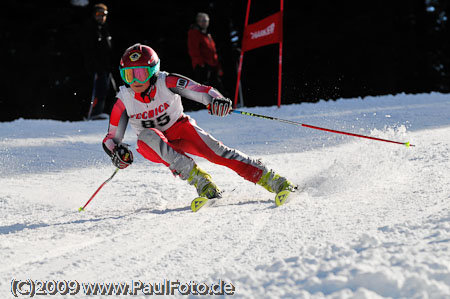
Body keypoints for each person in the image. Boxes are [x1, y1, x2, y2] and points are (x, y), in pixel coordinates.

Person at [102, 43, 295, 202]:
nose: (135, 80)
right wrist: (117, 152)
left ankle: (271, 179)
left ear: (153, 71)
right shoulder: (124, 99)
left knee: (218, 153)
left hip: (181, 130)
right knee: (145, 137)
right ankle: (201, 182)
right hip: (153, 146)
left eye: (141, 74)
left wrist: (215, 100)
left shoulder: (167, 81)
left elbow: (201, 90)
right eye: (129, 75)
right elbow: (111, 138)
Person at [81, 3, 116, 120]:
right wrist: (94, 66)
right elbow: (89, 50)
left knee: (112, 90)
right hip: (97, 67)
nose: (101, 17)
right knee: (98, 91)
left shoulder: (105, 29)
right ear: (94, 15)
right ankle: (93, 114)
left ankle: (109, 113)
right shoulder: (91, 29)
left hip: (106, 67)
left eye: (104, 14)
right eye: (98, 14)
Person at [187, 12, 224, 92]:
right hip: (203, 67)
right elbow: (193, 50)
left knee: (217, 88)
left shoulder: (207, 34)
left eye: (206, 20)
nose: (205, 23)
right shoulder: (194, 33)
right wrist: (201, 64)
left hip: (212, 66)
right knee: (205, 90)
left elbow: (213, 51)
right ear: (198, 21)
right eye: (203, 20)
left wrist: (218, 66)